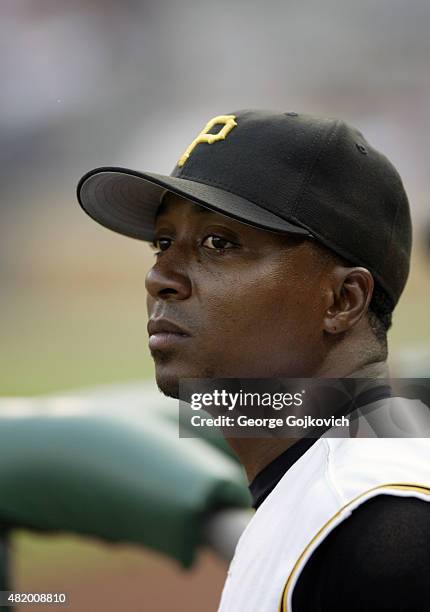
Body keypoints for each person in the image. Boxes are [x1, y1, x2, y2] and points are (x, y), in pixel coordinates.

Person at [77, 110, 430, 611]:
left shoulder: (384, 529)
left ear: (342, 300)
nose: (160, 277)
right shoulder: (343, 486)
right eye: (162, 242)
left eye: (219, 242)